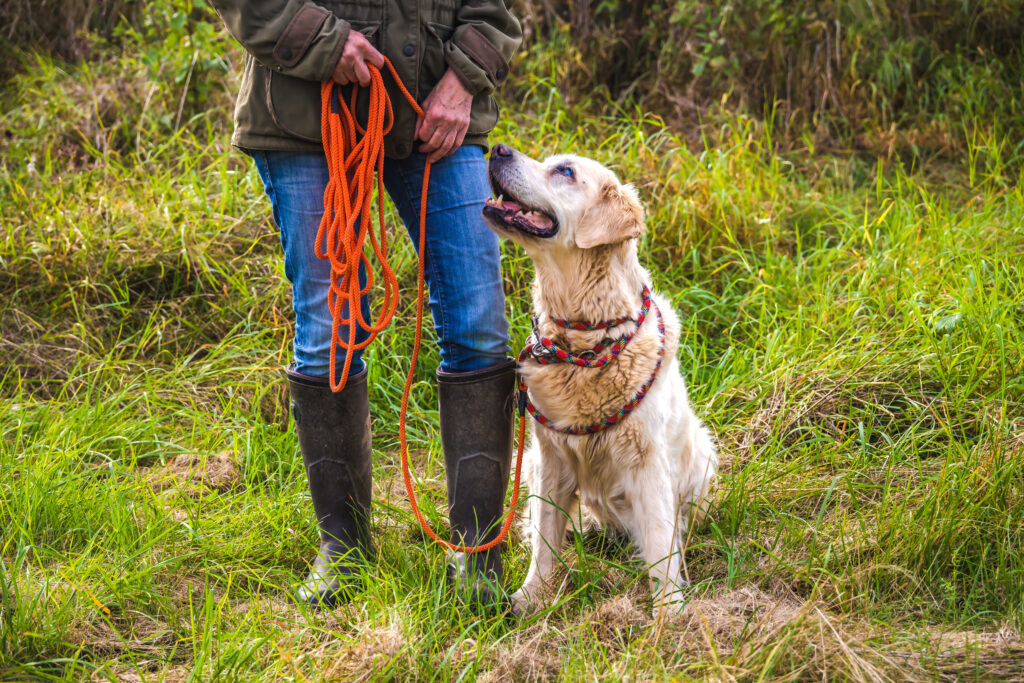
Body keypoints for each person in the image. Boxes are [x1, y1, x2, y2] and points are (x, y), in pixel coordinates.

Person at [209, 0, 523, 607]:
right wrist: (324, 41)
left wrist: (463, 83)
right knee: (330, 330)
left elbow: (494, 10)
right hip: (305, 114)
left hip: (438, 114)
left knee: (480, 325)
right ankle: (344, 551)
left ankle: (479, 552)